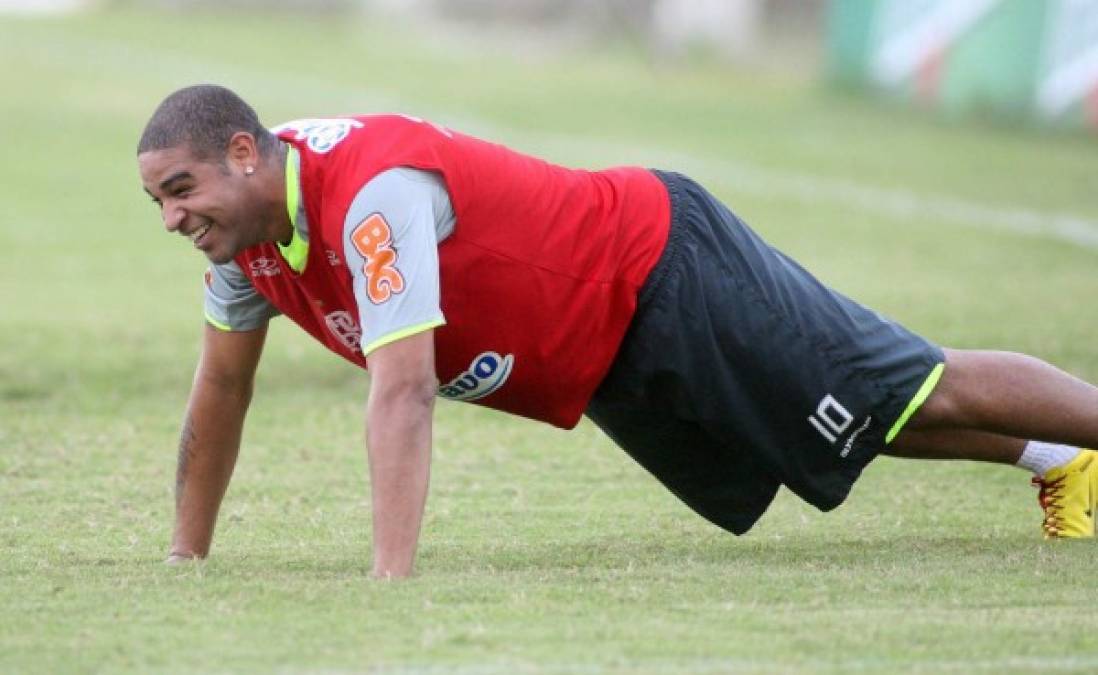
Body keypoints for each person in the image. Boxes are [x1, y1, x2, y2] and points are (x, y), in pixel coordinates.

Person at [137, 84, 1098, 578]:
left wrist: (391, 584)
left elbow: (404, 389)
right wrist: (187, 560)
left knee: (917, 383)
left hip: (661, 269)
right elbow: (221, 390)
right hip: (603, 352)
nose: (173, 220)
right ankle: (1061, 457)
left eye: (182, 191)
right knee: (855, 426)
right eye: (158, 203)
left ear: (244, 152)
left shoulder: (371, 197)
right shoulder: (246, 251)